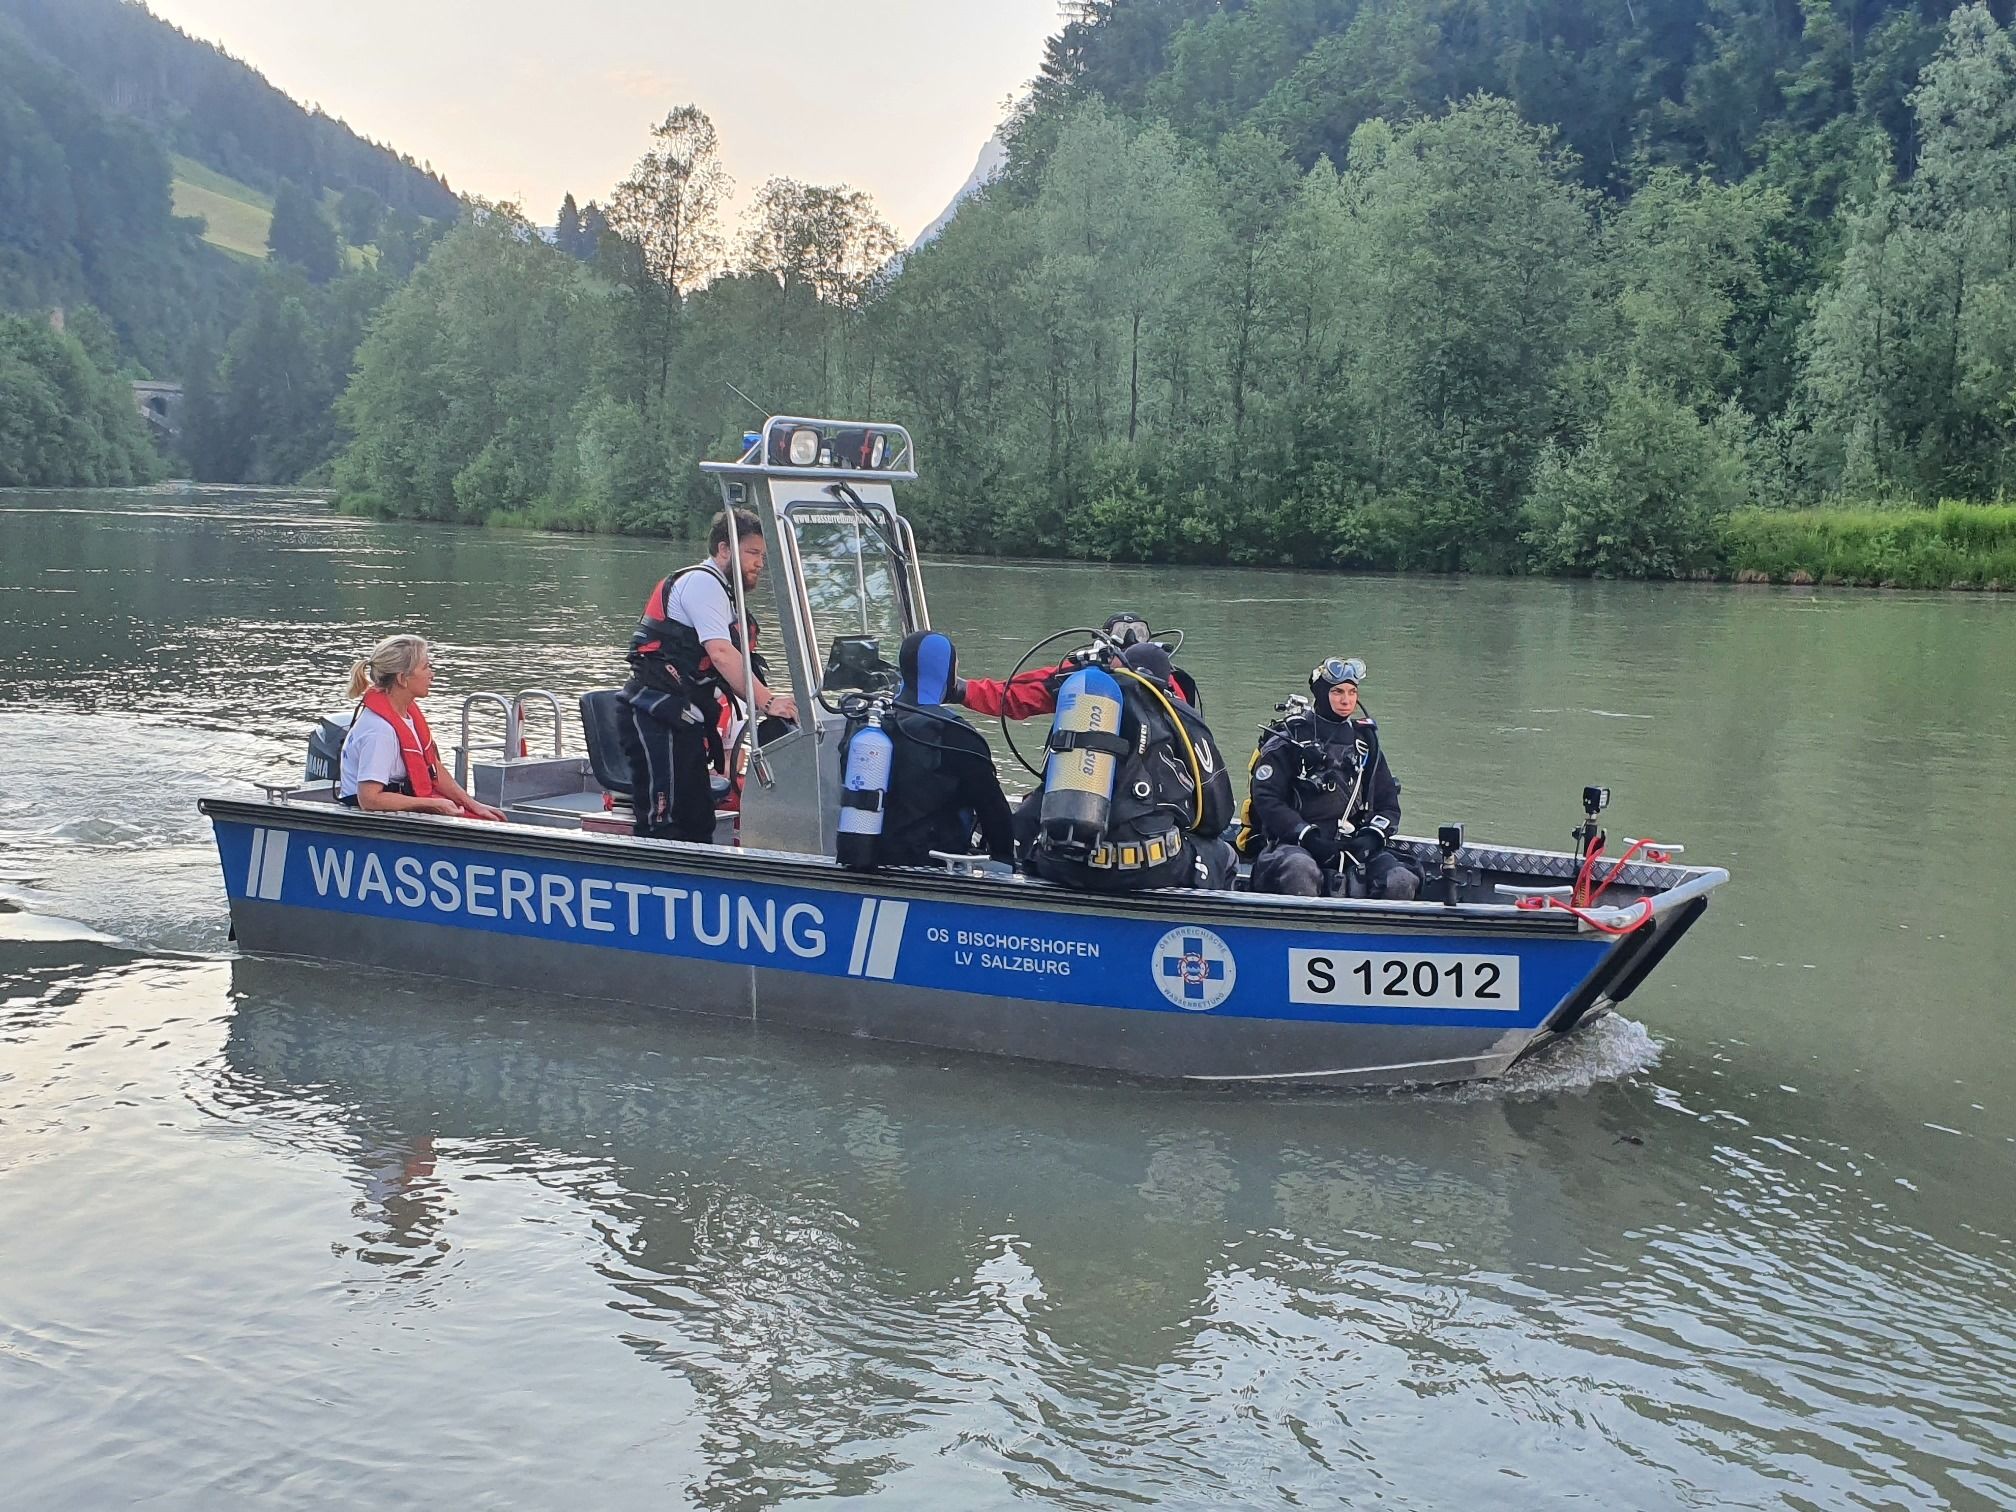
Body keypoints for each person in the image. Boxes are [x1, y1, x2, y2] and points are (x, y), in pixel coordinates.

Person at [620, 509, 797, 842]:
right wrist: (768, 701)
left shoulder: (727, 596)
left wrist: (782, 706)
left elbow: (738, 663)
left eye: (763, 555)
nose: (760, 562)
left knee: (699, 819)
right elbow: (720, 653)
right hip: (653, 714)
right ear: (724, 549)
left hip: (682, 717)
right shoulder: (703, 584)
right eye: (752, 552)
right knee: (664, 821)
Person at [1026, 639, 1237, 892]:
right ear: (1167, 681)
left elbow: (1045, 784)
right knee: (1222, 854)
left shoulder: (1084, 709)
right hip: (1147, 870)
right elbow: (1217, 816)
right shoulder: (1178, 715)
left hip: (1064, 865)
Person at [1246, 656, 1419, 900]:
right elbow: (1267, 800)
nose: (1346, 700)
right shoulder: (1289, 740)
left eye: (1352, 692)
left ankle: (1379, 936)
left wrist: (1370, 837)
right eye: (1338, 692)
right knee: (1300, 871)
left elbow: (1388, 804)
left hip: (1353, 846)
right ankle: (1300, 936)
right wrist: (1307, 836)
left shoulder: (1366, 742)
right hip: (1295, 844)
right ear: (1322, 693)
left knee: (1400, 879)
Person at [844, 630, 1016, 868]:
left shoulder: (868, 721)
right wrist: (1006, 863)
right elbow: (994, 812)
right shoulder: (955, 733)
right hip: (930, 868)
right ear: (946, 673)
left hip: (866, 857)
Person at [338, 635, 506, 820]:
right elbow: (369, 800)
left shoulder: (405, 714)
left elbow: (432, 766)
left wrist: (473, 805)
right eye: (426, 667)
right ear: (402, 678)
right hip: (376, 820)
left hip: (404, 803)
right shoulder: (380, 731)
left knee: (487, 818)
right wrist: (432, 804)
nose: (431, 674)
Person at [955, 612, 1203, 720]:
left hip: (1092, 790)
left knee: (1025, 821)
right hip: (1161, 803)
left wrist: (957, 689)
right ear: (1104, 640)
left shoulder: (1082, 679)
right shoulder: (1173, 683)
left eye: (1138, 632)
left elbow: (1014, 695)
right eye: (1122, 631)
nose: (1130, 638)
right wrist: (960, 690)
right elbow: (1015, 694)